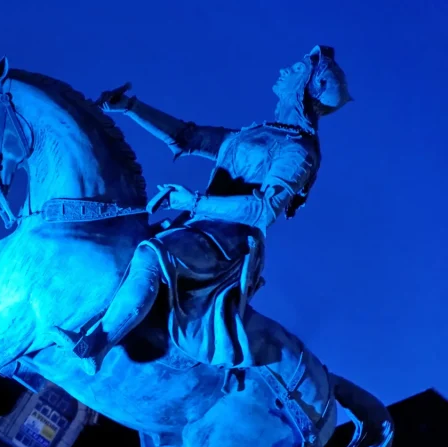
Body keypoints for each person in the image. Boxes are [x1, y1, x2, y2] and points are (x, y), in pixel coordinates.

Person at [58, 45, 351, 373]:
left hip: (228, 243)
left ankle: (97, 345)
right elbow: (188, 137)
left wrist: (192, 201)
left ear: (315, 86)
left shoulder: (299, 151)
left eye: (296, 69)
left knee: (152, 255)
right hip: (198, 226)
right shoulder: (258, 132)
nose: (285, 71)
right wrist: (131, 106)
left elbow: (264, 211)